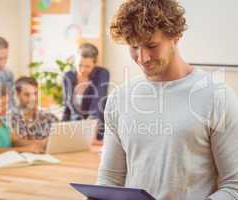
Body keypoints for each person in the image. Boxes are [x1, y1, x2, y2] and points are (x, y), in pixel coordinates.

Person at [96, 0, 238, 199]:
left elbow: (234, 186)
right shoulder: (119, 98)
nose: (143, 58)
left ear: (176, 37)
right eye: (134, 47)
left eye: (151, 45)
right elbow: (110, 180)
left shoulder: (216, 96)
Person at [62, 43, 109, 142]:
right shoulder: (67, 76)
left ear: (95, 63)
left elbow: (98, 103)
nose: (82, 70)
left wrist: (88, 131)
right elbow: (67, 106)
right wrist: (61, 129)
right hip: (73, 130)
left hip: (95, 130)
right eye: (79, 65)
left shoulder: (102, 74)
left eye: (87, 66)